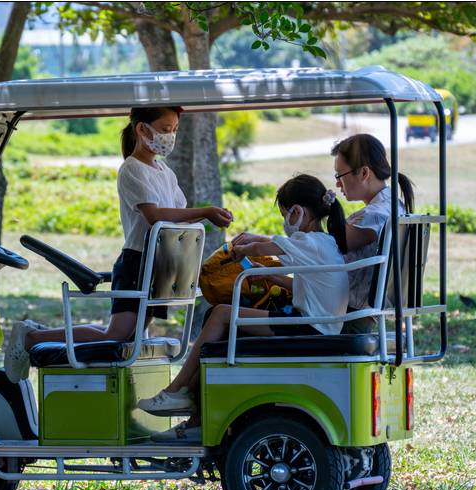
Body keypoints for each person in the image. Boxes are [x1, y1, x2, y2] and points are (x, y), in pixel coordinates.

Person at [3, 106, 234, 383]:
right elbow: (155, 216)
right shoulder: (132, 170)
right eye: (164, 129)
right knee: (115, 334)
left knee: (131, 337)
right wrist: (206, 212)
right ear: (141, 129)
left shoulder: (164, 172)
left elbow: (176, 218)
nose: (169, 136)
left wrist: (204, 218)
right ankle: (30, 337)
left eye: (173, 130)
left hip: (160, 264)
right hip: (137, 262)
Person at [137, 174, 349, 442]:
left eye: (285, 215)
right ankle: (194, 416)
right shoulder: (326, 243)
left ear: (297, 212)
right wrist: (272, 277)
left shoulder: (308, 242)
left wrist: (243, 250)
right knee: (225, 319)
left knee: (221, 313)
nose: (285, 222)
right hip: (318, 324)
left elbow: (263, 247)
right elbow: (311, 290)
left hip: (309, 327)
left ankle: (177, 389)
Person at [330, 133, 415, 333]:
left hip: (347, 317)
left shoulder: (373, 216)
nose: (337, 184)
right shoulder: (393, 205)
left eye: (339, 176)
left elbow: (327, 247)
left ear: (364, 173)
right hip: (360, 312)